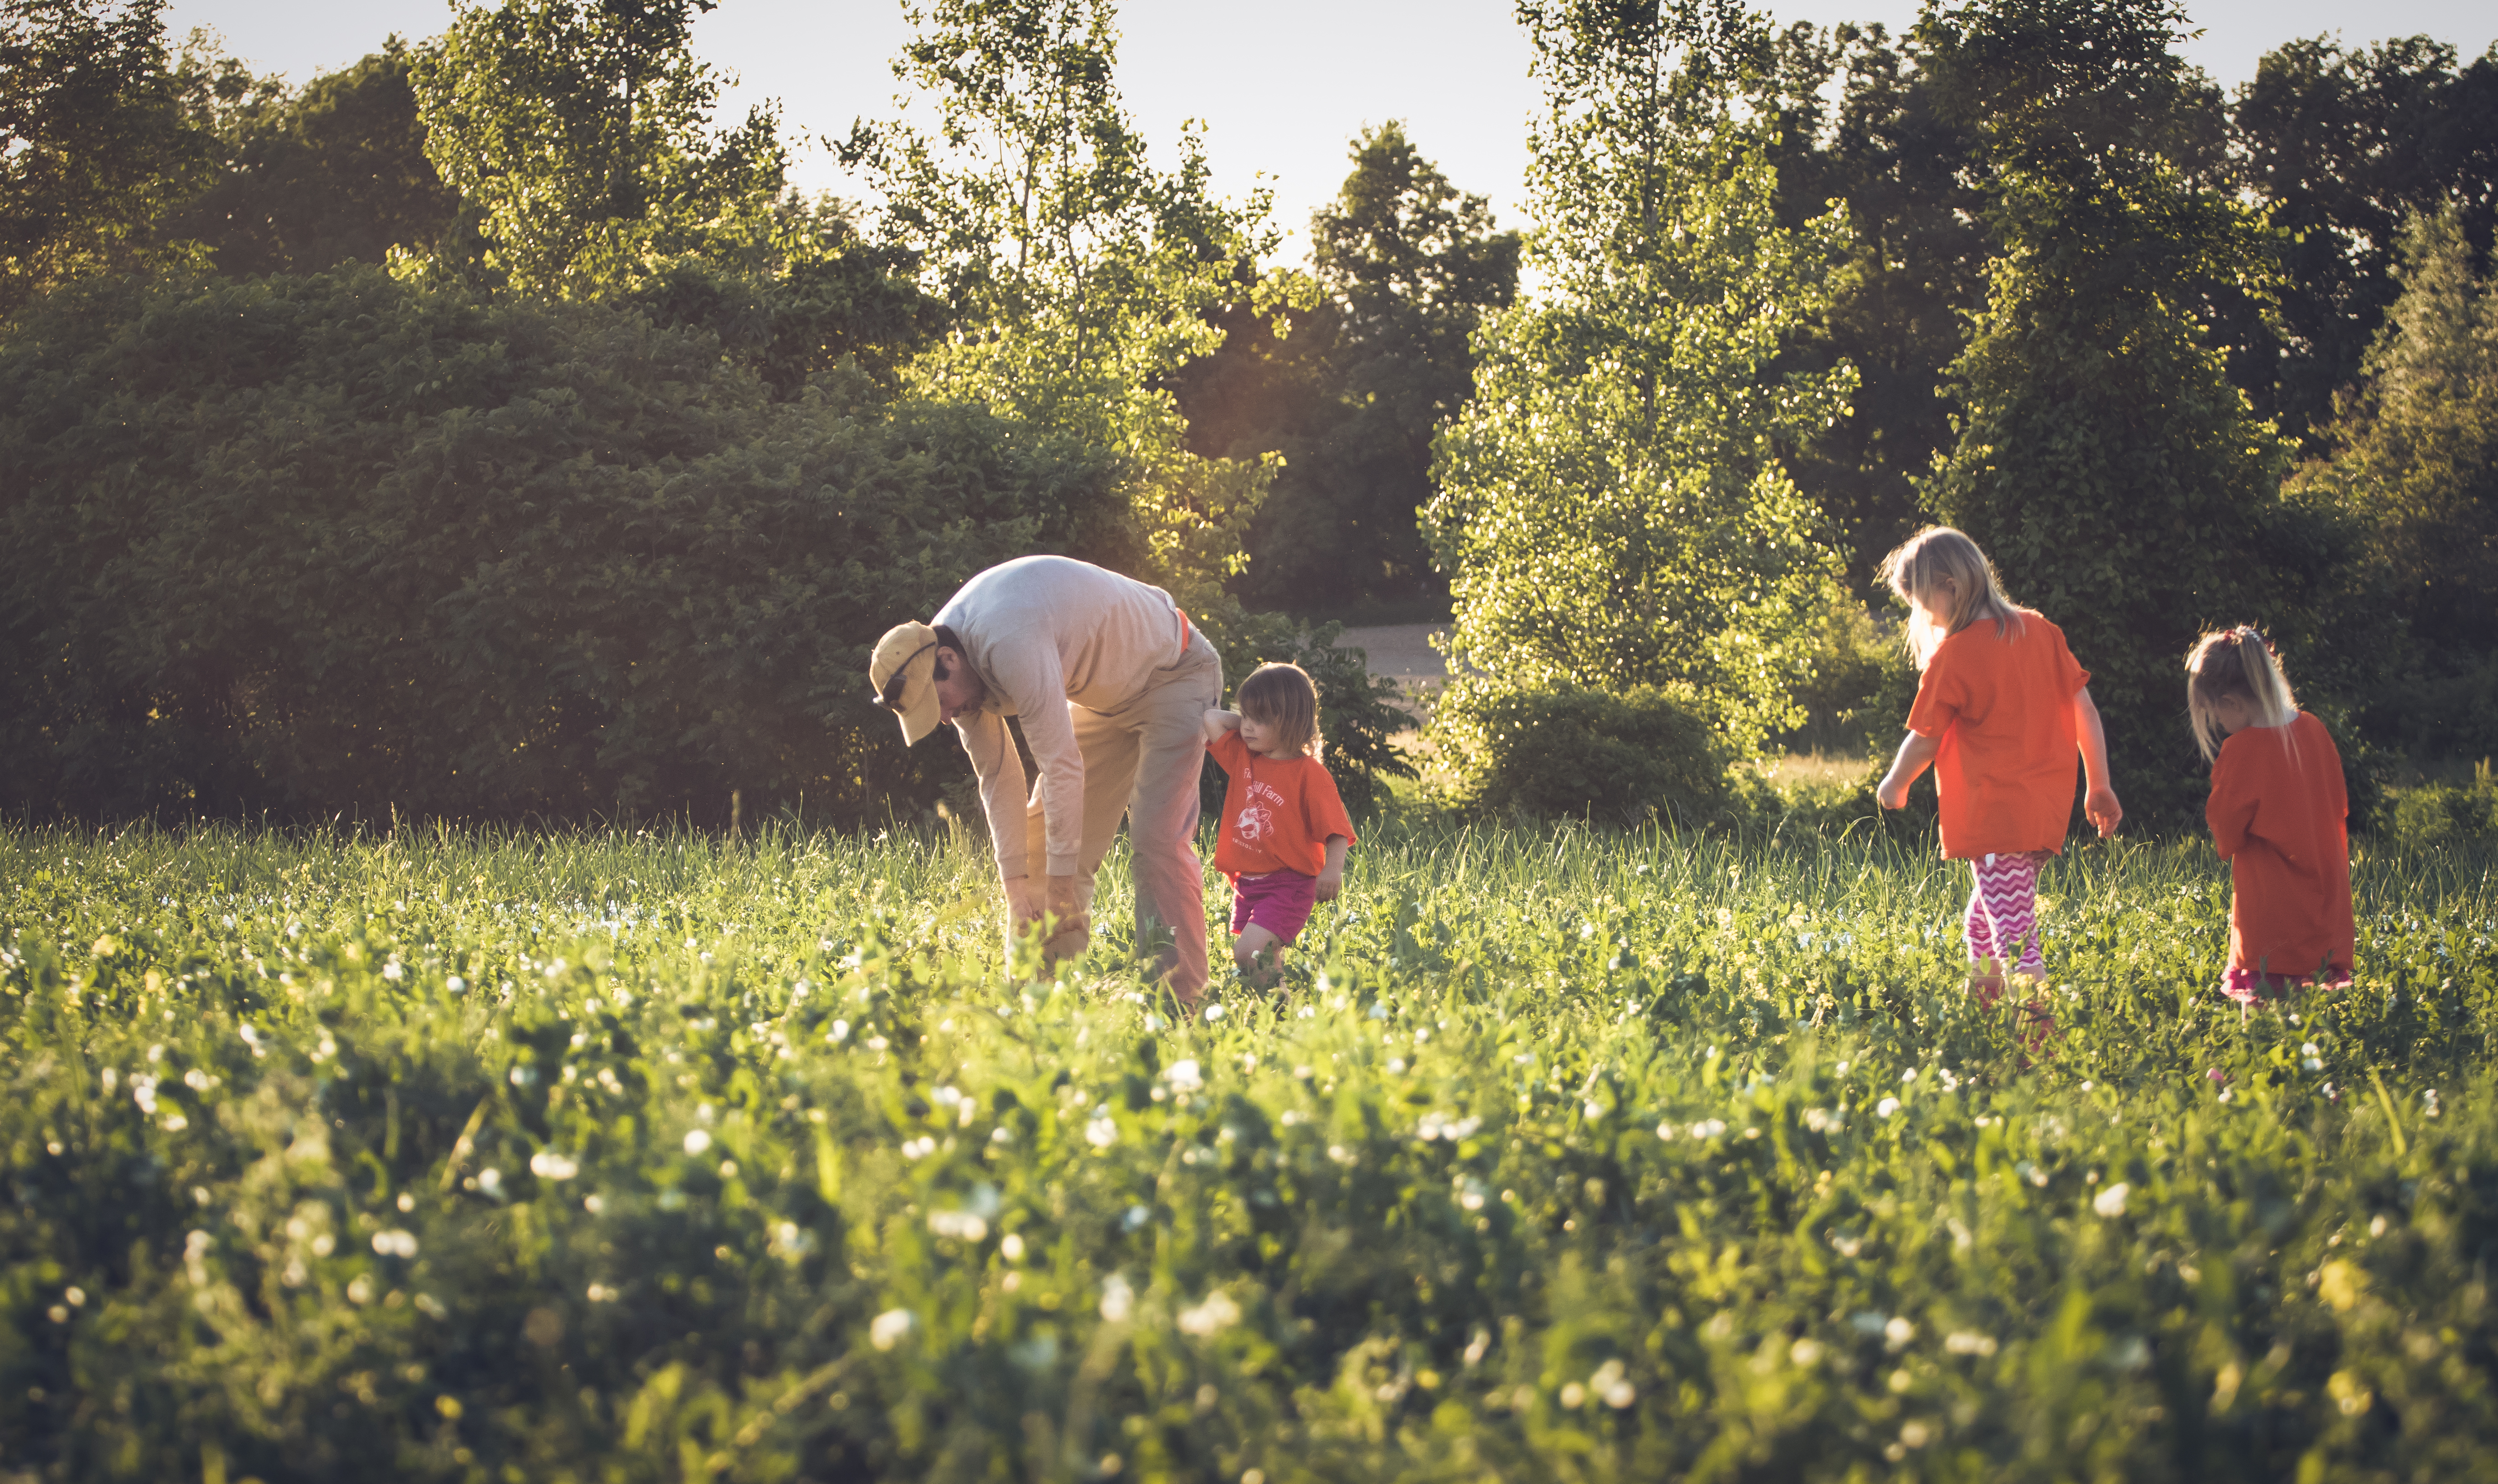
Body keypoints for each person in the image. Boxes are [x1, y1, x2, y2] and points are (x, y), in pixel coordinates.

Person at [867, 556, 1222, 1000]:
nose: (943, 719)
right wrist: (1016, 890)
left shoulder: (1007, 638)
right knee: (1037, 846)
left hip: (1175, 674)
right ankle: (1043, 1009)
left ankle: (1180, 1004)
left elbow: (1061, 766)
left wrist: (1060, 887)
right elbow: (997, 778)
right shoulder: (938, 659)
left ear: (948, 659)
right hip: (1103, 701)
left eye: (937, 703)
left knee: (1156, 842)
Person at [1874, 527, 2121, 1031]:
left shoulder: (1955, 655)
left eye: (1923, 603)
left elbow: (1924, 737)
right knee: (1984, 925)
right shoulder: (2039, 631)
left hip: (1995, 819)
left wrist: (1895, 783)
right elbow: (2085, 713)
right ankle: (1982, 1019)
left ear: (1951, 587)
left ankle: (2039, 1040)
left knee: (2014, 940)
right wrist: (2097, 784)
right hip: (2039, 815)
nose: (1924, 616)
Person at [2187, 626, 2354, 1006]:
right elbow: (2339, 805)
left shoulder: (2241, 752)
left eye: (2214, 712)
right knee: (2308, 1028)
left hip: (2270, 915)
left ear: (2232, 702)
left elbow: (2226, 837)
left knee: (2261, 1027)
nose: (2215, 722)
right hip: (2325, 907)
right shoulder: (2314, 730)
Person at [1201, 662, 1355, 987]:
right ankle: (1279, 1021)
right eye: (1246, 716)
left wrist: (1333, 870)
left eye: (1261, 719)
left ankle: (1279, 1016)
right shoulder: (1244, 756)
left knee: (1249, 955)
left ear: (1291, 721)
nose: (1248, 727)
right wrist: (1252, 719)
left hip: (1290, 884)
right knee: (1263, 964)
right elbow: (1212, 719)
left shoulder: (1309, 774)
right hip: (1249, 884)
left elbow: (1336, 829)